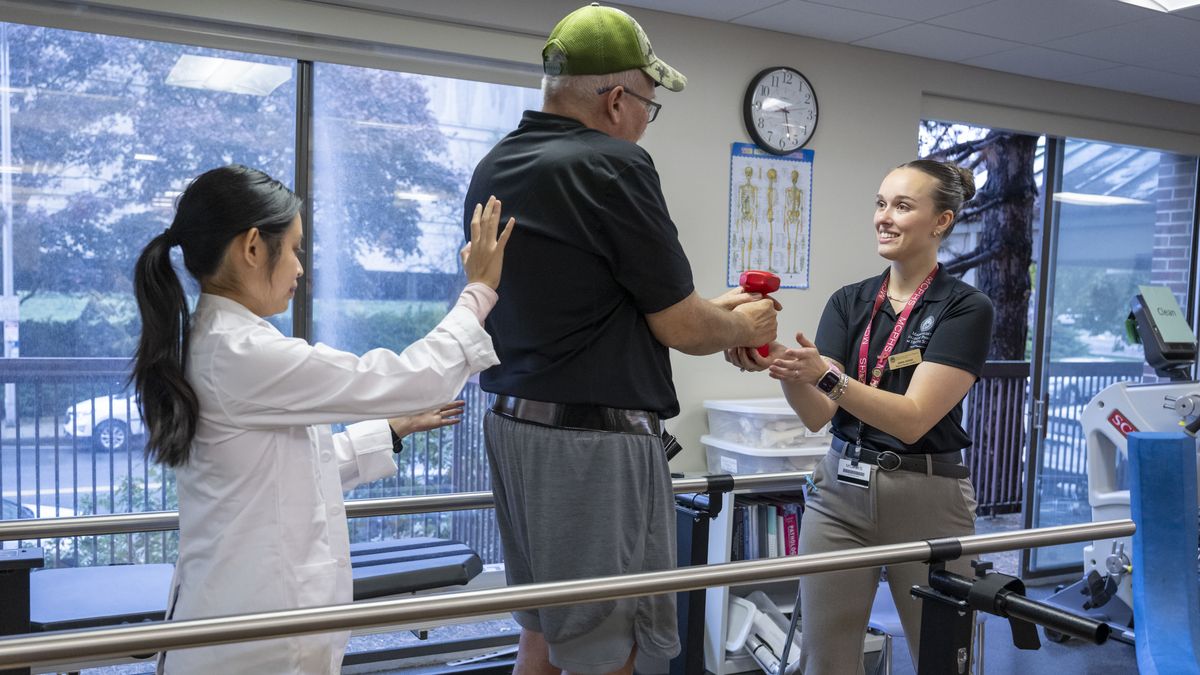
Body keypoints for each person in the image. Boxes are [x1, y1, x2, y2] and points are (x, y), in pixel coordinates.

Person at [461, 5, 779, 674]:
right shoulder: (615, 165)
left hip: (516, 428)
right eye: (648, 107)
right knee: (610, 648)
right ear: (615, 101)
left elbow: (595, 305)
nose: (644, 122)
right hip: (590, 447)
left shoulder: (497, 165)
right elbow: (681, 326)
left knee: (544, 629)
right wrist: (742, 326)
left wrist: (710, 311)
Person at [130, 165, 513, 674]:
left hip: (239, 620)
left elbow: (279, 475)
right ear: (252, 248)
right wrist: (479, 290)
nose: (299, 269)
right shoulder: (240, 351)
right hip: (253, 639)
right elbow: (413, 377)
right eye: (293, 249)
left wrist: (390, 429)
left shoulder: (218, 342)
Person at [726, 159, 993, 674]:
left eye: (902, 206)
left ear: (941, 221)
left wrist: (825, 377)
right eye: (881, 203)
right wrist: (784, 366)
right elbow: (818, 413)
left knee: (942, 658)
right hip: (839, 497)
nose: (884, 217)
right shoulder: (850, 301)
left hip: (926, 496)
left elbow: (912, 419)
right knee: (825, 660)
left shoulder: (964, 307)